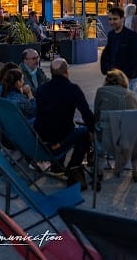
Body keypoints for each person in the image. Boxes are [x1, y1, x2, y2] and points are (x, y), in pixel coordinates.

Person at [34, 58, 95, 190]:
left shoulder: (41, 90)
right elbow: (86, 113)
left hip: (43, 138)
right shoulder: (72, 89)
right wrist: (93, 130)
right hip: (62, 138)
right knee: (84, 132)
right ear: (66, 72)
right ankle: (73, 167)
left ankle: (58, 165)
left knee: (58, 125)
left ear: (51, 73)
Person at [93, 69, 137, 182]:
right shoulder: (132, 95)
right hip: (129, 142)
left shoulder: (101, 92)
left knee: (99, 130)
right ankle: (136, 170)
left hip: (107, 141)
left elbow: (97, 115)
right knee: (136, 131)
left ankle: (99, 169)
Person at [100, 6, 137, 90]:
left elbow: (134, 58)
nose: (112, 22)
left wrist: (128, 76)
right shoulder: (111, 35)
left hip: (127, 78)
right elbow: (107, 53)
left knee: (126, 101)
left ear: (122, 19)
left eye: (115, 19)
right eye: (110, 19)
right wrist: (107, 69)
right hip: (114, 76)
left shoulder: (132, 36)